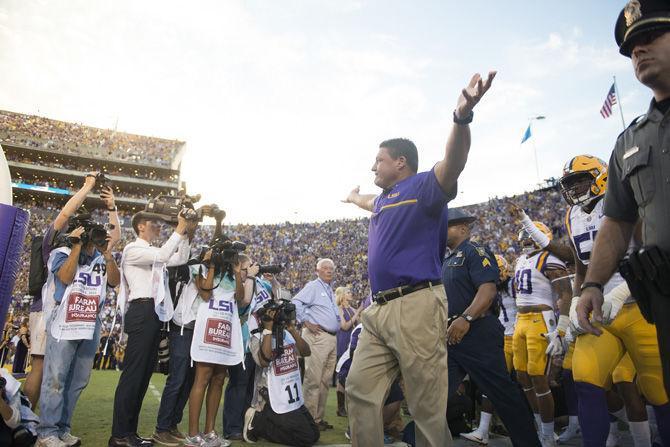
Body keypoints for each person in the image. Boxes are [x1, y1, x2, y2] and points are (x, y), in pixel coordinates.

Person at [342, 70, 496, 447]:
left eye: (379, 160)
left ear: (400, 162)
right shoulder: (380, 200)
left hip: (416, 303)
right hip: (378, 311)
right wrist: (352, 198)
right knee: (359, 390)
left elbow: (453, 163)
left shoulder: (425, 186)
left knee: (425, 407)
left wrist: (461, 117)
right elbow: (367, 202)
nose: (373, 166)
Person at [578, 0, 670, 401]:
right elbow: (616, 222)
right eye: (632, 45)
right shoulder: (629, 141)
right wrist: (594, 284)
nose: (638, 50)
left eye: (650, 36)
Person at [556, 154, 670, 446]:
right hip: (598, 311)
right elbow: (582, 267)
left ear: (600, 176)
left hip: (639, 306)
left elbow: (654, 254)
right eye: (571, 183)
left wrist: (621, 293)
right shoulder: (571, 216)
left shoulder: (626, 199)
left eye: (580, 180)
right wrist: (572, 311)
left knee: (657, 389)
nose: (575, 188)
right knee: (584, 377)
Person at [442, 208, 540, 447]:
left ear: (463, 228)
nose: (441, 231)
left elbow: (488, 290)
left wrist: (466, 318)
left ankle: (530, 443)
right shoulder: (446, 259)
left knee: (502, 394)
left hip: (477, 331)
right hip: (452, 334)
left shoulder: (475, 251)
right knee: (436, 394)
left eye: (447, 226)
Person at [24, 172, 120, 408]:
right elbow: (65, 214)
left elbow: (113, 239)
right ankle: (26, 424)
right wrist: (87, 187)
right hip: (48, 310)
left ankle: (48, 425)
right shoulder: (55, 243)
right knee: (41, 366)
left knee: (61, 372)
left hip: (75, 316)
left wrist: (112, 208)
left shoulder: (92, 252)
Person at [109, 211, 194, 447]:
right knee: (132, 376)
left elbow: (180, 258)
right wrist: (179, 228)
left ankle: (130, 433)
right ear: (141, 226)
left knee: (143, 377)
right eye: (154, 224)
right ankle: (118, 435)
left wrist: (185, 234)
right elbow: (166, 254)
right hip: (142, 310)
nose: (158, 227)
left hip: (154, 313)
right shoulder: (133, 250)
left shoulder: (152, 255)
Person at [36, 214, 120, 447]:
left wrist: (107, 255)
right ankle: (46, 432)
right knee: (56, 378)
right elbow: (65, 276)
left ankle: (63, 428)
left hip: (90, 322)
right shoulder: (60, 253)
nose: (92, 239)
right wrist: (76, 246)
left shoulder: (101, 258)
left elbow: (115, 281)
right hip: (64, 321)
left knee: (77, 381)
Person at [510, 219, 572, 447]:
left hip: (540, 320)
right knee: (522, 376)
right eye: (523, 236)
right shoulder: (520, 260)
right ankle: (540, 429)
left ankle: (548, 436)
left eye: (530, 235)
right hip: (521, 320)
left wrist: (561, 329)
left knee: (539, 378)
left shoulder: (550, 259)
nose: (526, 240)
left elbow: (566, 294)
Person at [184, 244, 245, 447]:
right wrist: (210, 265)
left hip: (224, 331)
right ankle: (193, 433)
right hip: (207, 331)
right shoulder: (198, 268)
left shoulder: (230, 275)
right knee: (202, 378)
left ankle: (210, 431)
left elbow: (240, 298)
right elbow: (206, 294)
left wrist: (237, 274)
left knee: (219, 379)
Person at [460, 253, 520, 444]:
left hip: (517, 337)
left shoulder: (513, 285)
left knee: (527, 384)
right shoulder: (492, 291)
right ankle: (484, 429)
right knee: (491, 385)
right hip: (501, 339)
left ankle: (543, 429)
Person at [242, 301, 320, 447]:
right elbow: (264, 361)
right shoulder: (257, 337)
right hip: (271, 397)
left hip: (291, 398)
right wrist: (268, 329)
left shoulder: (286, 335)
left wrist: (292, 330)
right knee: (306, 438)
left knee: (314, 434)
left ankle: (267, 420)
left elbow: (306, 352)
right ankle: (259, 422)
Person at [152, 226, 200, 446]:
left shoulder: (197, 270)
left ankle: (172, 424)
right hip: (179, 329)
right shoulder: (179, 269)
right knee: (177, 378)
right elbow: (182, 255)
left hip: (194, 331)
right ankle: (162, 428)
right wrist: (186, 232)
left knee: (189, 380)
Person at [292, 258, 339, 431]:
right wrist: (305, 321)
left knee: (325, 381)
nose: (329, 271)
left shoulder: (329, 289)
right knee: (313, 380)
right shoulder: (313, 286)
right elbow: (296, 302)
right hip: (318, 337)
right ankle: (309, 420)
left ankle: (317, 419)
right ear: (317, 271)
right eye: (325, 268)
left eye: (331, 268)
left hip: (331, 337)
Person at [334, 286, 360, 417]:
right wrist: (357, 313)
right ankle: (340, 408)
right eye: (348, 292)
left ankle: (350, 406)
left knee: (351, 375)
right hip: (343, 344)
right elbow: (344, 326)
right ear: (342, 295)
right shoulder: (339, 309)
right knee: (342, 375)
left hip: (353, 344)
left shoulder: (353, 309)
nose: (351, 294)